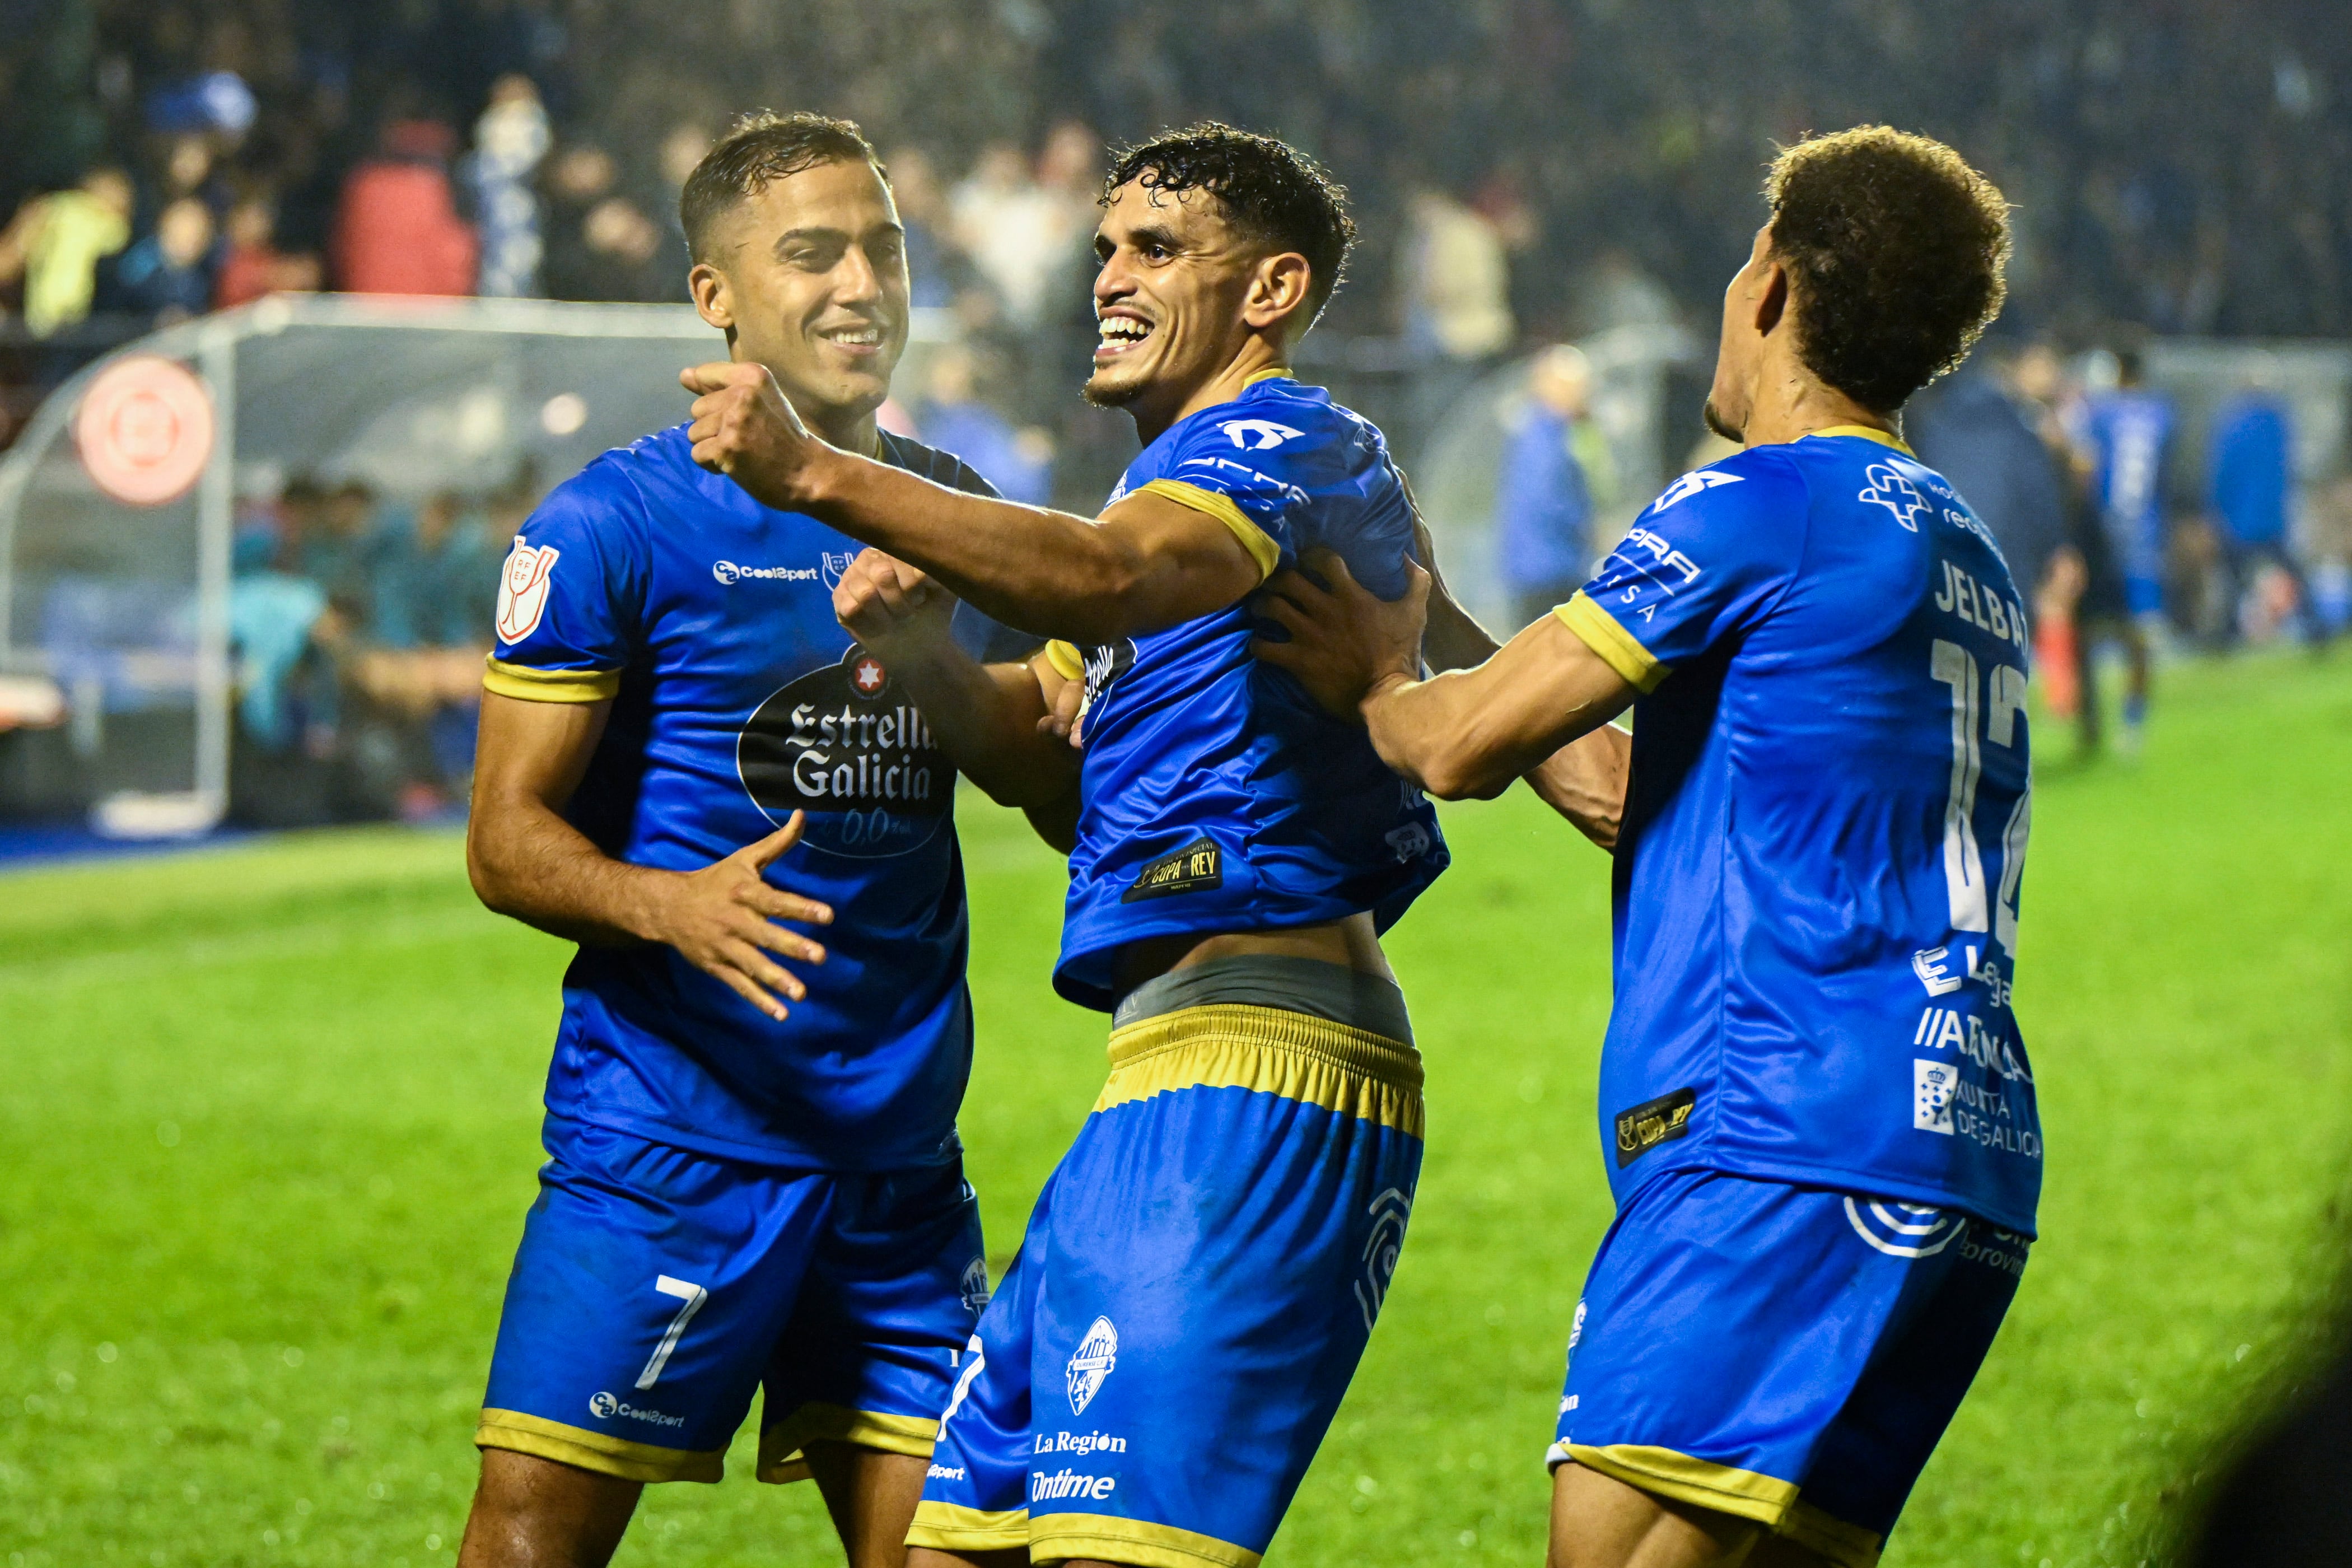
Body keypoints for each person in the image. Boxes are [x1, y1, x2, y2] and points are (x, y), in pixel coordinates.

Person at [683, 120, 1626, 1568]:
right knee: (947, 1552)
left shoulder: (1282, 442)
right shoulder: (1174, 492)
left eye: (1159, 250)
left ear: (1271, 292)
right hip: (1147, 1086)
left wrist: (816, 475)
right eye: (1107, 247)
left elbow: (1110, 578)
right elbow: (1048, 772)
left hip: (1258, 1083)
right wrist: (932, 658)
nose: (1110, 277)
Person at [1252, 126, 2038, 1568]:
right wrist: (1442, 638)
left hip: (1770, 1144)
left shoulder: (1763, 502)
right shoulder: (1955, 546)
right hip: (1954, 1157)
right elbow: (1635, 794)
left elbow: (1459, 749)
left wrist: (1380, 680)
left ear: (1773, 291)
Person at [454, 111, 1044, 1568]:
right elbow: (502, 841)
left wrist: (945, 674)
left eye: (884, 249)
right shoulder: (610, 524)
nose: (863, 285)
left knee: (966, 1554)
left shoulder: (957, 513)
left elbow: (1065, 797)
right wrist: (669, 910)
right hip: (672, 1142)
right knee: (532, 1541)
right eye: (814, 254)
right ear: (716, 295)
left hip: (900, 1161)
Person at [2075, 346, 2174, 752]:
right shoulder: (2163, 415)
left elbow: (2084, 470)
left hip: (2100, 539)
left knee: (2088, 630)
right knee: (2141, 637)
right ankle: (2133, 728)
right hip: (2144, 539)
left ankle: (2092, 725)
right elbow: (2164, 479)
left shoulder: (2098, 415)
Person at [2208, 374, 2322, 647]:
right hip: (2271, 516)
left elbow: (2223, 473)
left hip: (2239, 517)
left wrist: (2215, 509)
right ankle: (2315, 624)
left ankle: (2227, 632)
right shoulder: (2278, 424)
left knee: (2232, 576)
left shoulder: (2232, 425)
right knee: (2290, 569)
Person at [1497, 343, 1603, 630]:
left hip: (1538, 566)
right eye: (1577, 386)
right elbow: (1547, 501)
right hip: (1550, 570)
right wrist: (1586, 527)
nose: (1585, 394)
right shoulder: (1545, 439)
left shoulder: (1542, 430)